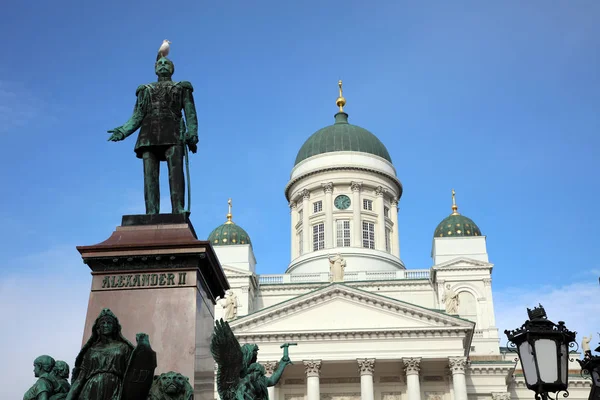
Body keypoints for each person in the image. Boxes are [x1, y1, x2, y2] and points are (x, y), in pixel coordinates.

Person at [107, 55, 199, 214]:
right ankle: (151, 211)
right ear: (155, 69)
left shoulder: (182, 87)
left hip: (174, 132)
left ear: (172, 68)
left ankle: (178, 208)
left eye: (166, 63)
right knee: (150, 177)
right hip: (148, 134)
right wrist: (122, 131)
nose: (163, 65)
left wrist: (193, 134)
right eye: (160, 64)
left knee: (176, 174)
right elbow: (137, 116)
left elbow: (190, 113)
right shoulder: (146, 89)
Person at [66, 309, 134, 400]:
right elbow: (80, 379)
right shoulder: (91, 350)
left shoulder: (123, 348)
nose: (105, 325)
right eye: (103, 323)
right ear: (98, 328)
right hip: (91, 389)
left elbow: (131, 374)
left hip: (115, 388)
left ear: (115, 328)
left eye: (109, 323)